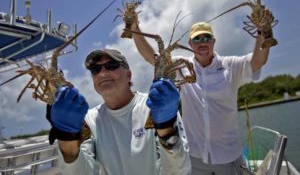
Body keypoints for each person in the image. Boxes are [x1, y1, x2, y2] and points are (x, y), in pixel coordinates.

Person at [129, 19, 270, 175]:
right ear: (190, 43)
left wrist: (263, 31)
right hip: (195, 157)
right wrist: (134, 27)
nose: (202, 42)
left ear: (213, 41)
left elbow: (257, 61)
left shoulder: (231, 65)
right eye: (197, 39)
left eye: (206, 38)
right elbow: (152, 57)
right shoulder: (180, 65)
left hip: (228, 157)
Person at [46, 48, 191, 175]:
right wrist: (67, 137)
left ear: (129, 75)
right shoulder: (89, 120)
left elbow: (179, 171)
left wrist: (166, 126)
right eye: (95, 70)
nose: (102, 73)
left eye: (111, 65)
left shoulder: (155, 106)